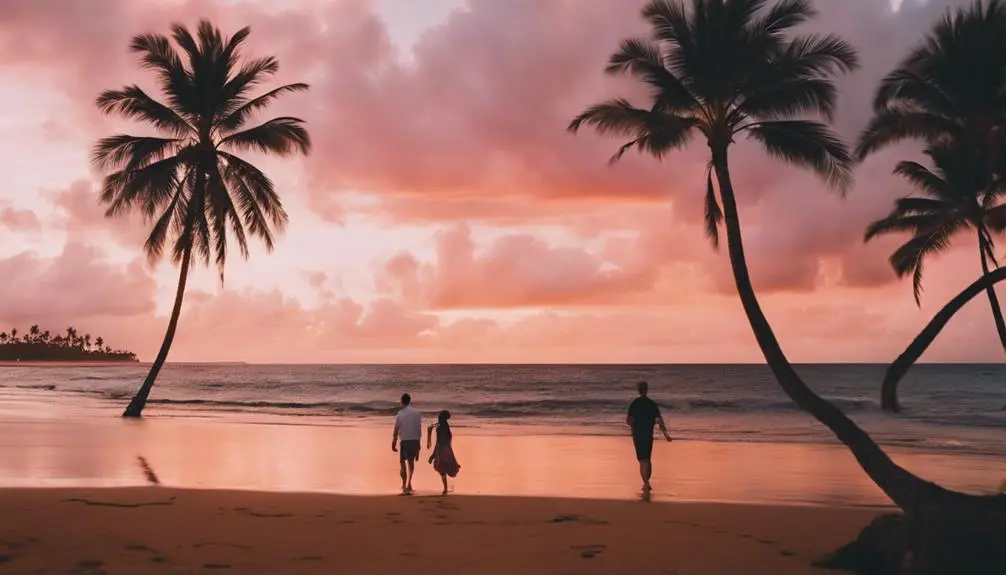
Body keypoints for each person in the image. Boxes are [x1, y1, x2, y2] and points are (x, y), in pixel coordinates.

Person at [626, 381, 671, 493]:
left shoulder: (634, 403)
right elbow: (659, 420)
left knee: (642, 461)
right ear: (646, 390)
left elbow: (629, 420)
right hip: (647, 435)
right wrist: (666, 435)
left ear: (639, 390)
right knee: (647, 460)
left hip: (637, 435)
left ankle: (646, 483)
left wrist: (633, 427)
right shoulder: (651, 404)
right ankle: (646, 483)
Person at [392, 393, 422, 494]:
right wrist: (419, 443)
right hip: (415, 440)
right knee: (411, 463)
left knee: (402, 462)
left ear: (402, 401)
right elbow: (418, 429)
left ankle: (404, 485)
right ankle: (409, 483)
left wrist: (394, 441)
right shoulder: (417, 413)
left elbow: (396, 428)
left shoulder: (400, 413)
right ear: (409, 401)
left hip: (405, 440)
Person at [426, 410, 461, 495]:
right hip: (447, 449)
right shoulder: (446, 426)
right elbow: (447, 440)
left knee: (442, 470)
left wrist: (433, 454)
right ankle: (446, 487)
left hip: (441, 449)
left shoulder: (439, 426)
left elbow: (438, 440)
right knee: (446, 468)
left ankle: (445, 488)